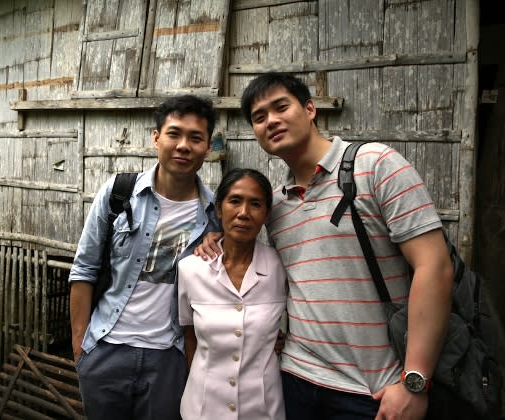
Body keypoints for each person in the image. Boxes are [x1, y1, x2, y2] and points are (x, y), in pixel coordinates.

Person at [197, 73, 454, 420]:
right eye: (259, 117)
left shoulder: (375, 165)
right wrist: (214, 238)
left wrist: (415, 380)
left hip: (372, 391)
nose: (271, 120)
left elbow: (434, 268)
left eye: (281, 107)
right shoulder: (275, 207)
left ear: (310, 108)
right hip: (294, 381)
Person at [69, 95, 220, 420]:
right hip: (106, 349)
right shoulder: (118, 192)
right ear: (156, 138)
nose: (183, 145)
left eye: (196, 138)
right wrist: (80, 346)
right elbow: (84, 269)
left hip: (169, 357)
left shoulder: (215, 214)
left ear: (208, 147)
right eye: (174, 134)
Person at [178, 168, 287, 420]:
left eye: (256, 204)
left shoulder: (281, 267)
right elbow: (189, 335)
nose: (244, 213)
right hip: (203, 408)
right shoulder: (190, 270)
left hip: (263, 408)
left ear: (267, 214)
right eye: (235, 201)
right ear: (218, 208)